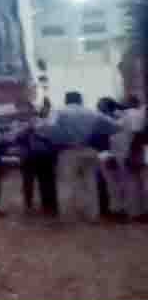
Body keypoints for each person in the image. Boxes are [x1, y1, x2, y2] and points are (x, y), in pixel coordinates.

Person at [48, 92, 121, 222]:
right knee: (90, 183)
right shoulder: (92, 112)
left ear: (66, 100)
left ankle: (68, 215)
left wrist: (58, 138)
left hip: (68, 151)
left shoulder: (59, 112)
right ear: (81, 100)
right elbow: (116, 126)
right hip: (89, 149)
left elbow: (49, 128)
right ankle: (92, 214)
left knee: (67, 184)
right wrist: (98, 132)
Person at [105, 96, 147, 220]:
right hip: (128, 152)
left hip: (131, 152)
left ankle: (136, 212)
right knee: (136, 184)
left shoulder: (132, 114)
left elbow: (137, 133)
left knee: (133, 183)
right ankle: (137, 212)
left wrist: (133, 153)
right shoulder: (126, 115)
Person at [18, 105, 59, 216]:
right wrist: (28, 129)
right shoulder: (24, 124)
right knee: (29, 183)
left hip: (43, 157)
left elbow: (53, 139)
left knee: (46, 182)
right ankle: (29, 205)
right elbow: (18, 138)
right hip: (30, 157)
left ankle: (48, 206)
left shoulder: (49, 124)